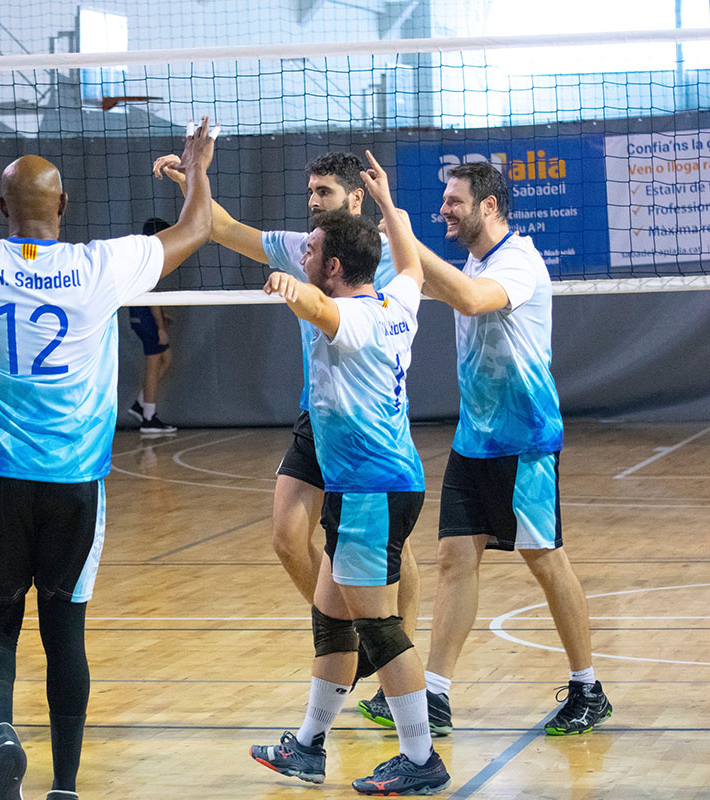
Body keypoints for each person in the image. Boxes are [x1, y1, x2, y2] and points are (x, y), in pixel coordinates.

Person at [0, 118, 217, 800]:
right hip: (75, 483)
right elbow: (195, 231)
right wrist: (198, 168)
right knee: (65, 632)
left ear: (0, 210)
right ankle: (65, 786)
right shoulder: (99, 267)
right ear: (63, 207)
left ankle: (1, 740)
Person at [153, 150, 420, 717]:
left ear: (354, 198)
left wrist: (300, 291)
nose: (311, 202)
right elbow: (222, 228)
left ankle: (388, 653)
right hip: (315, 418)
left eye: (322, 192)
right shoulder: (307, 247)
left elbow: (382, 299)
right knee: (286, 536)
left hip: (367, 425)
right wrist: (194, 181)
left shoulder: (382, 259)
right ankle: (354, 639)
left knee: (392, 557)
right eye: (309, 191)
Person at [385, 160, 611, 736]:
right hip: (474, 438)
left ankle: (588, 686)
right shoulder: (478, 258)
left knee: (545, 559)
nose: (444, 211)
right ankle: (433, 695)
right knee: (455, 558)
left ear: (488, 206)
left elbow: (465, 298)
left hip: (526, 440)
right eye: (442, 201)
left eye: (454, 201)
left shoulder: (519, 263)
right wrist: (386, 245)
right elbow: (439, 284)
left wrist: (404, 234)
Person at [248, 153, 450, 795]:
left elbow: (320, 309)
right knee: (332, 614)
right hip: (375, 484)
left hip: (370, 490)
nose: (299, 253)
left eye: (308, 252)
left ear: (333, 269)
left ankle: (421, 759)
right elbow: (414, 263)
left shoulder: (352, 318)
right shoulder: (397, 299)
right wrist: (389, 203)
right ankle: (307, 746)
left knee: (378, 625)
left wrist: (292, 291)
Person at [125, 217, 177, 434]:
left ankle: (141, 405)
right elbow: (150, 295)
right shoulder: (149, 257)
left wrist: (162, 316)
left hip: (139, 312)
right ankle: (149, 419)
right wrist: (160, 327)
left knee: (166, 359)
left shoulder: (141, 255)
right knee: (154, 363)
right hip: (145, 314)